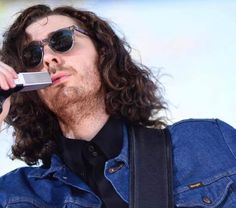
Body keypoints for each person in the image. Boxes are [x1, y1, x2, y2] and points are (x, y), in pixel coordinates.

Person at [0, 4, 235, 208]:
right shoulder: (14, 194)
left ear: (103, 51)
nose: (48, 58)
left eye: (61, 40)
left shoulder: (209, 142)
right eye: (33, 55)